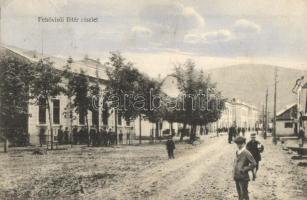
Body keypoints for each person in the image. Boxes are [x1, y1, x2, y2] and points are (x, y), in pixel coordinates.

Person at [233, 136, 257, 200]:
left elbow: (254, 163)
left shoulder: (247, 153)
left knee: (244, 194)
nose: (239, 145)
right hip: (237, 176)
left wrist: (244, 169)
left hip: (243, 177)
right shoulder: (237, 151)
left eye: (240, 143)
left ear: (244, 143)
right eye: (237, 143)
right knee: (239, 194)